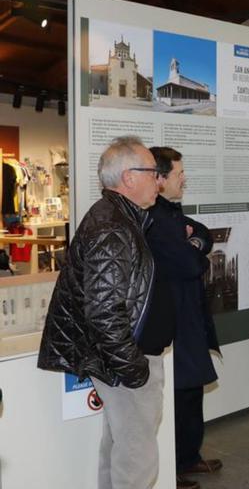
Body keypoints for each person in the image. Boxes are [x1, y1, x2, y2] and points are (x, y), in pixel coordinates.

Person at [37, 135, 162, 489]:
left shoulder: (120, 218)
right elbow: (104, 310)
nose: (160, 179)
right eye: (153, 172)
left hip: (120, 359)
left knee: (121, 449)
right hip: (123, 361)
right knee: (136, 459)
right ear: (129, 178)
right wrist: (133, 368)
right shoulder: (112, 226)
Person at [146, 147, 221, 489]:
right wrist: (194, 250)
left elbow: (204, 233)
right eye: (179, 175)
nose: (184, 179)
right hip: (171, 317)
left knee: (192, 388)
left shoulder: (172, 214)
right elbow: (193, 263)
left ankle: (189, 457)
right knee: (176, 393)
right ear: (159, 180)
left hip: (188, 313)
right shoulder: (155, 219)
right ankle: (172, 466)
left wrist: (193, 243)